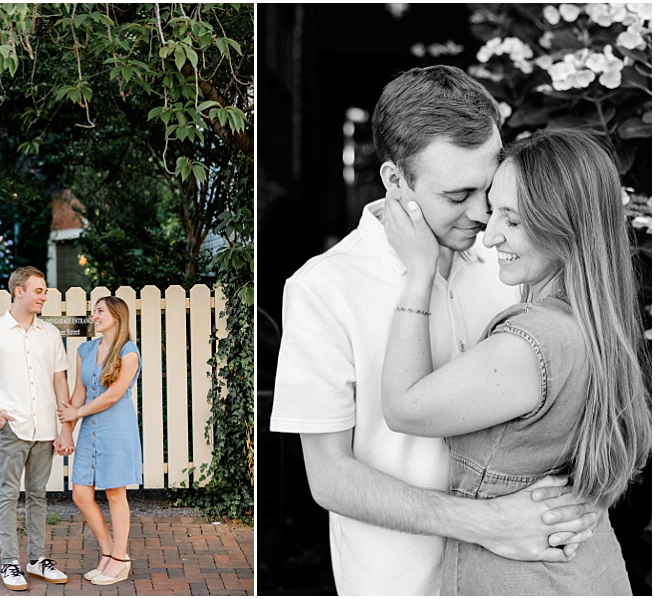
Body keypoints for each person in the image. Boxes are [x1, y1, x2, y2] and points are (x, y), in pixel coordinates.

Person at [270, 66, 599, 595]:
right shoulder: (323, 287)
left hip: (524, 577)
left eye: (488, 189)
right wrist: (489, 524)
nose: (481, 215)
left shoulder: (511, 260)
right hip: (397, 581)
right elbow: (329, 476)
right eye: (457, 195)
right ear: (396, 180)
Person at [380, 128, 650, 595]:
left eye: (514, 220)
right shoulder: (595, 324)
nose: (489, 235)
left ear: (566, 226)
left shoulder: (533, 342)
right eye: (494, 211)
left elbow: (404, 407)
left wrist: (418, 275)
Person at [0, 266, 75, 591]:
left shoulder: (50, 334)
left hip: (45, 429)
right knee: (9, 496)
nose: (44, 295)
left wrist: (65, 427)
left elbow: (60, 381)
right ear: (19, 291)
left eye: (45, 291)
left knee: (38, 496)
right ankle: (10, 562)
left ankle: (37, 560)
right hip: (12, 428)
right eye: (39, 290)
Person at [57, 295, 143, 585]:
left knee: (115, 493)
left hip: (116, 428)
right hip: (89, 428)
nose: (94, 316)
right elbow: (78, 394)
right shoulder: (85, 349)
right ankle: (110, 553)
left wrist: (78, 411)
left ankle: (119, 559)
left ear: (116, 317)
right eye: (93, 312)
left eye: (100, 311)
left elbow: (113, 395)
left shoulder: (129, 353)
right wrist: (68, 428)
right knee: (81, 494)